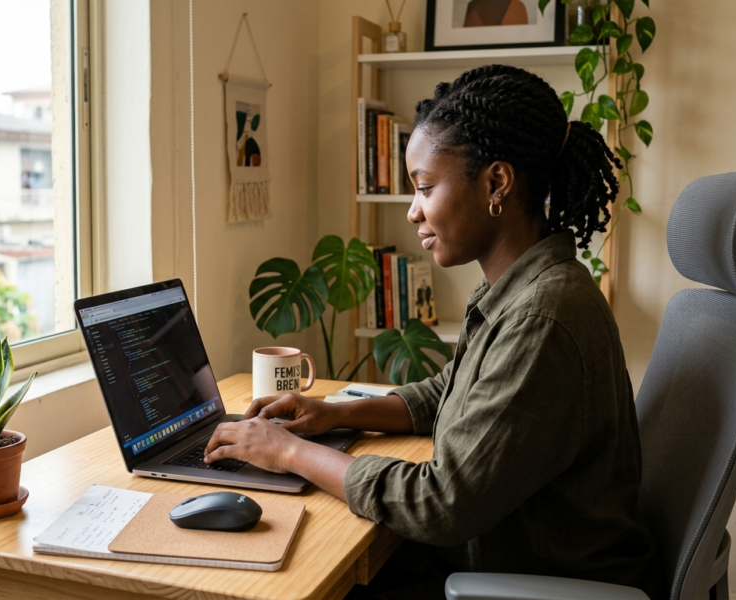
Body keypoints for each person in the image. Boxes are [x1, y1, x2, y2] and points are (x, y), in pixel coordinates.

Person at [204, 65, 660, 599]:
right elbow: (452, 391)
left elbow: (440, 503)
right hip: (504, 559)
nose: (413, 211)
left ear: (496, 183)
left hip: (531, 582)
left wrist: (288, 454)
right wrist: (336, 413)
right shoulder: (524, 286)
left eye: (424, 187)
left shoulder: (543, 317)